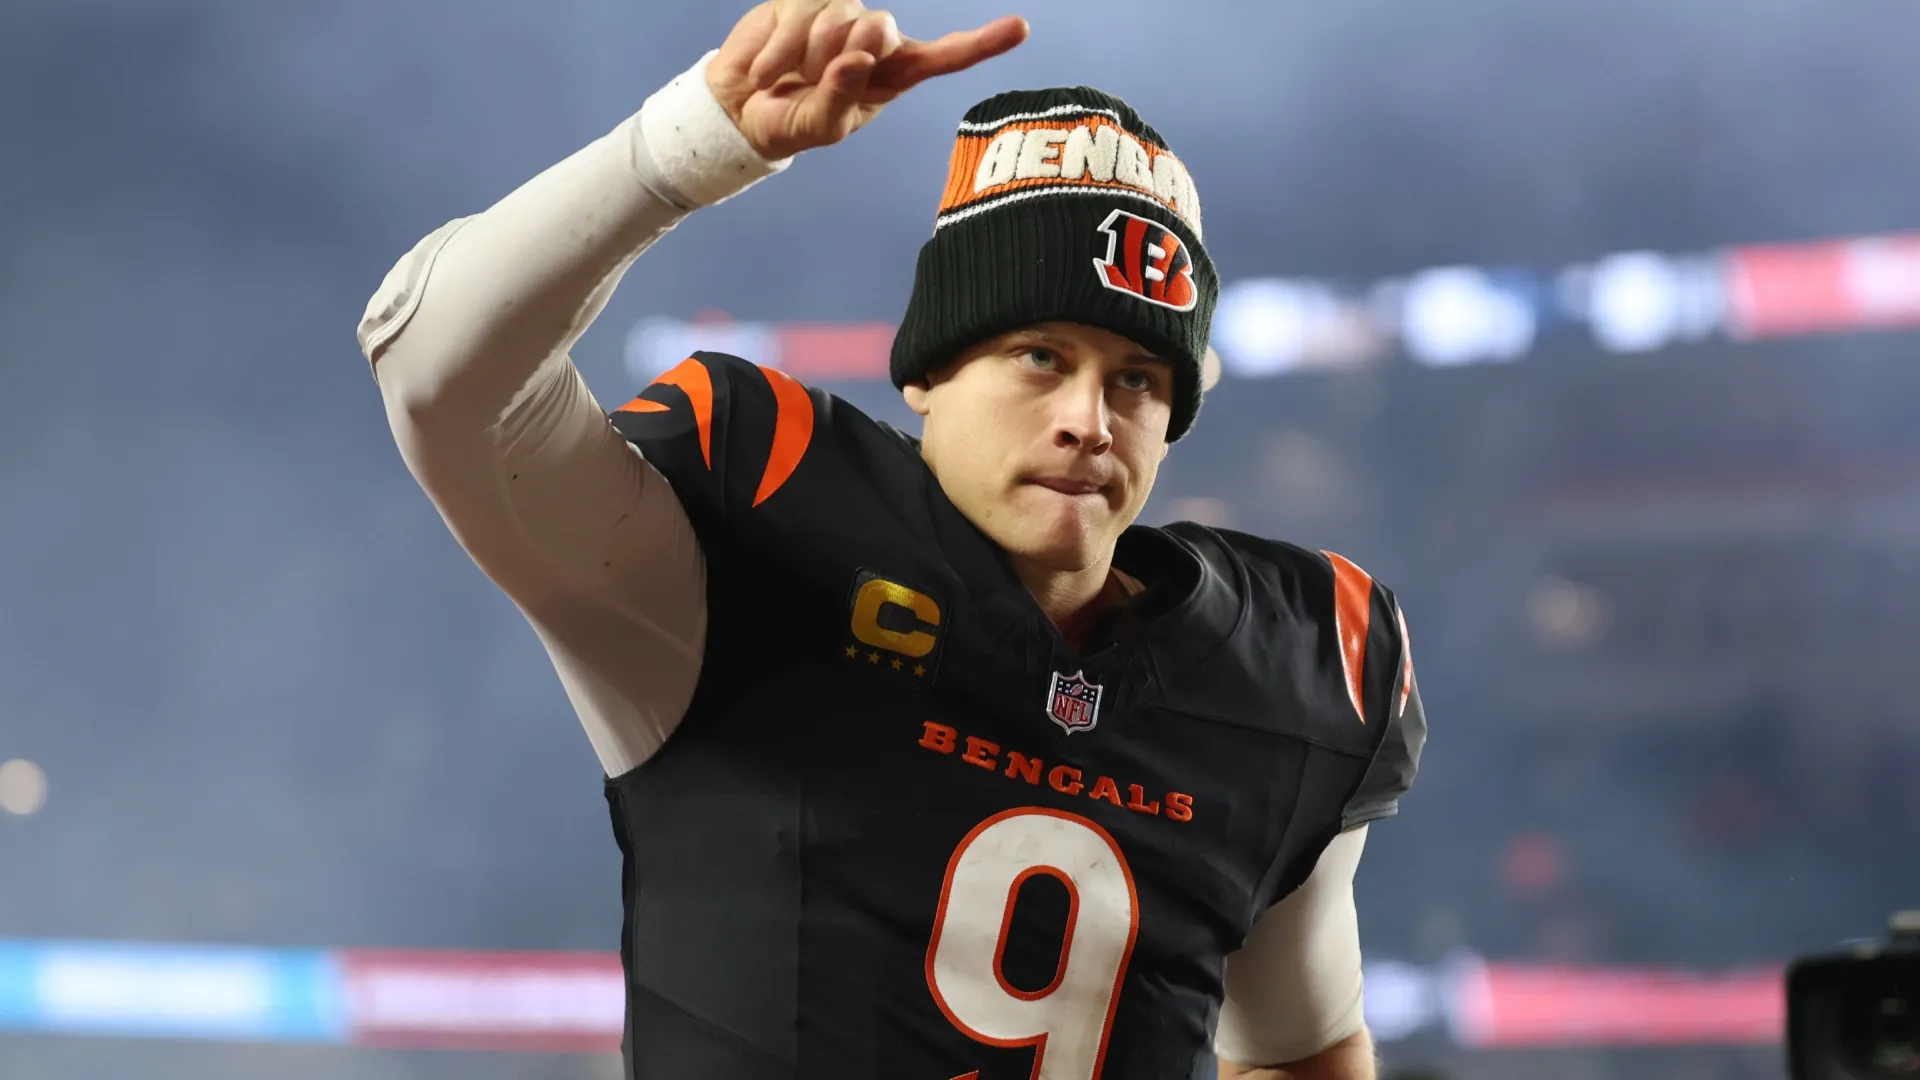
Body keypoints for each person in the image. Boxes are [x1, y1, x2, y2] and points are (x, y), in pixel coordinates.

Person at [356, 2, 1426, 1077]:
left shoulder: (1300, 670)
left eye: (1137, 381)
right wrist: (686, 144)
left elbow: (1298, 1048)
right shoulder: (754, 526)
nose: (1088, 421)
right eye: (1040, 356)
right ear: (926, 372)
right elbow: (435, 366)